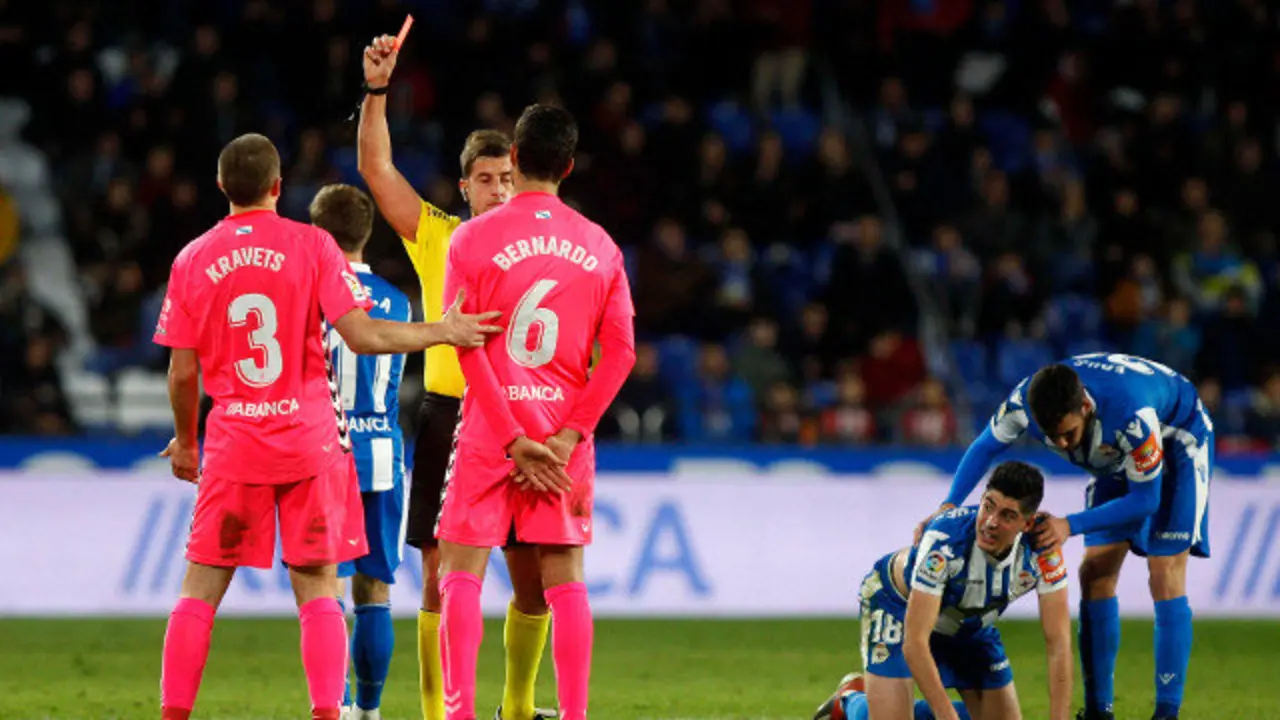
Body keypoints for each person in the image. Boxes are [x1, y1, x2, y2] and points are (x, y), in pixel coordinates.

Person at [153, 133, 502, 720]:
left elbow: (183, 372)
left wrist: (188, 442)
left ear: (220, 186)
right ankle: (330, 712)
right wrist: (442, 330)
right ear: (277, 186)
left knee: (199, 591)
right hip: (309, 442)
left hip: (234, 442)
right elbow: (362, 335)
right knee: (319, 588)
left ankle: (173, 714)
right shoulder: (311, 245)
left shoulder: (192, 258)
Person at [357, 32, 555, 720]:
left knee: (531, 578)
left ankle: (518, 708)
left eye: (508, 178)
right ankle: (439, 714)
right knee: (438, 572)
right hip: (451, 414)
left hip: (525, 418)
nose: (499, 189)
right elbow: (376, 167)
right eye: (487, 179)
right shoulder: (439, 234)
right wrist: (377, 89)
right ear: (464, 185)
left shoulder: (546, 240)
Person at [436, 103, 637, 720]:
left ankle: (459, 715)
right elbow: (622, 353)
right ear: (569, 166)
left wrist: (508, 436)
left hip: (490, 431)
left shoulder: (471, 238)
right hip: (560, 438)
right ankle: (574, 715)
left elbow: (463, 341)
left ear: (516, 158)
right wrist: (571, 435)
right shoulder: (600, 246)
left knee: (461, 573)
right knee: (565, 577)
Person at [918, 353, 1212, 720]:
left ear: (1085, 407)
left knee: (1164, 572)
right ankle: (1098, 711)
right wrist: (948, 506)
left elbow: (1146, 500)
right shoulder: (1024, 400)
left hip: (1178, 439)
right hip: (1117, 455)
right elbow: (984, 446)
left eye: (1068, 433)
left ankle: (1166, 713)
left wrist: (1068, 525)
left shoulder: (1130, 416)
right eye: (1050, 436)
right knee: (1094, 574)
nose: (1061, 444)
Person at [815, 461, 1073, 720]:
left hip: (968, 624)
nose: (990, 522)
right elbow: (915, 642)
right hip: (898, 606)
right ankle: (849, 700)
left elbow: (1059, 645)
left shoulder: (1043, 551)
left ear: (1027, 524)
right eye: (988, 506)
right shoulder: (945, 541)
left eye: (1007, 516)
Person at [309, 184, 410, 720]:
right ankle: (369, 711)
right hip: (383, 457)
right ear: (366, 234)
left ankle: (339, 705)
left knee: (325, 586)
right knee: (375, 590)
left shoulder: (310, 297)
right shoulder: (398, 300)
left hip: (325, 453)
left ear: (318, 234)